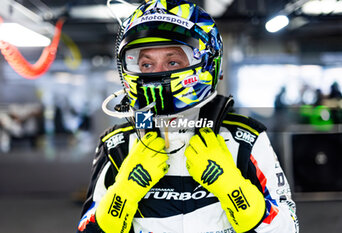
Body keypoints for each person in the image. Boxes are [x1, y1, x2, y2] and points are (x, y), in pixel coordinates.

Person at [77, 0, 299, 232]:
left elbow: (289, 227)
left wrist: (233, 189)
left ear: (208, 63)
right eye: (146, 64)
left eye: (172, 61)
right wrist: (124, 193)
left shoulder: (246, 139)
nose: (158, 73)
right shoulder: (118, 144)